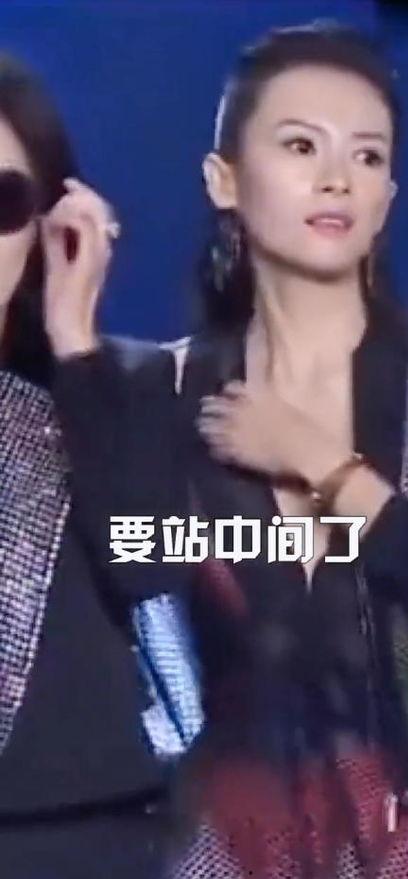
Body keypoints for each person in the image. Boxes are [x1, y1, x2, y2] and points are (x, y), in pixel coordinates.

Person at [50, 21, 408, 878]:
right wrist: (75, 344)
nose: (337, 177)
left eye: (367, 156)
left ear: (387, 197)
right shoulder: (168, 392)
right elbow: (144, 604)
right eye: (301, 145)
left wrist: (326, 468)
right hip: (229, 849)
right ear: (223, 179)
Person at [0, 54, 186, 879]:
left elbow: (149, 566)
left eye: (0, 202)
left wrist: (75, 344)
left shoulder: (121, 386)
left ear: (51, 223)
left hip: (92, 841)